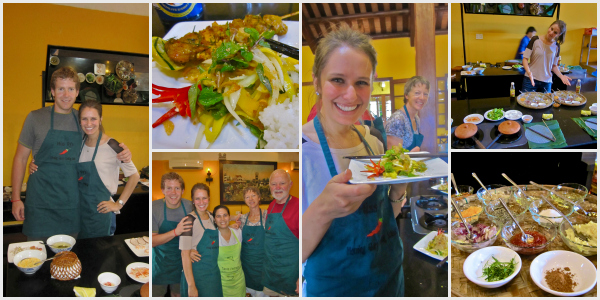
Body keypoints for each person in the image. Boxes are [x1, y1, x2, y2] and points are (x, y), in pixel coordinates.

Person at [301, 24, 408, 296]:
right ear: (316, 82)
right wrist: (323, 209)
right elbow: (292, 255)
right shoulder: (300, 149)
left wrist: (398, 190)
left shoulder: (372, 142)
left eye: (361, 82)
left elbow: (383, 220)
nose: (351, 95)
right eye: (338, 80)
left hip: (389, 279)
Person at [11, 66, 130, 241]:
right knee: (38, 258)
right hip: (40, 203)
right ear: (52, 91)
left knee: (70, 260)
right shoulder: (35, 118)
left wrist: (123, 151)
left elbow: (103, 141)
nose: (66, 95)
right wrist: (15, 199)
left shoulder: (83, 121)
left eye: (70, 89)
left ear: (77, 92)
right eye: (60, 89)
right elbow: (20, 159)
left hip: (72, 204)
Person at [31, 100, 140, 238]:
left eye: (93, 119)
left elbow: (134, 176)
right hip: (79, 211)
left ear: (100, 119)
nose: (89, 124)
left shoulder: (113, 145)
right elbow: (60, 162)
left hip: (100, 214)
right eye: (85, 119)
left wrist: (119, 204)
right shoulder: (79, 144)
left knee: (101, 255)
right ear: (80, 121)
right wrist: (36, 164)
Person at [152, 172, 193, 297]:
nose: (173, 193)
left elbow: (208, 215)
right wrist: (176, 231)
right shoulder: (154, 208)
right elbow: (152, 241)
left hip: (182, 263)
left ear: (182, 190)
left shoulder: (189, 205)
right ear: (163, 190)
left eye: (177, 188)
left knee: (178, 295)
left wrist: (232, 218)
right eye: (169, 188)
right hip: (160, 264)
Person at [180, 183, 223, 297]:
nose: (201, 202)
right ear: (193, 200)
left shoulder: (212, 216)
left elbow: (224, 223)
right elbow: (184, 254)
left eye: (204, 198)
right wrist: (191, 286)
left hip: (213, 274)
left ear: (209, 198)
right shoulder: (188, 220)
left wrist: (232, 225)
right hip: (195, 275)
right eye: (197, 198)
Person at [262, 169, 299, 296]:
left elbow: (310, 243)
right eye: (273, 184)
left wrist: (301, 275)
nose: (277, 188)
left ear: (290, 184)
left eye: (282, 183)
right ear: (269, 186)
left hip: (290, 276)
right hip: (271, 274)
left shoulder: (299, 206)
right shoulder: (271, 205)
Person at [522, 20, 571, 92]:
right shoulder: (535, 40)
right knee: (526, 102)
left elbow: (554, 66)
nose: (551, 33)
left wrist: (561, 76)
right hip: (530, 80)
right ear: (549, 26)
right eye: (551, 29)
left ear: (559, 34)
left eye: (555, 32)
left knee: (546, 103)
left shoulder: (556, 46)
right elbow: (525, 59)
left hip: (546, 82)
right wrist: (529, 73)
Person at [384, 76, 430, 152]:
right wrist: (410, 156)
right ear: (406, 95)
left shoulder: (416, 118)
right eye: (417, 93)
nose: (422, 97)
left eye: (425, 94)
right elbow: (393, 157)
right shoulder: (397, 119)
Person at [238, 186, 268, 297]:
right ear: (244, 200)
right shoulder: (242, 219)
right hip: (246, 265)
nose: (251, 199)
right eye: (247, 197)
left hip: (263, 266)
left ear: (259, 197)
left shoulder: (267, 215)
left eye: (253, 195)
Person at [213, 205, 246, 297]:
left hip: (238, 282)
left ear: (229, 217)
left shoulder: (238, 232)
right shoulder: (212, 236)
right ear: (214, 219)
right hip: (221, 283)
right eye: (218, 216)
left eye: (225, 215)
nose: (222, 219)